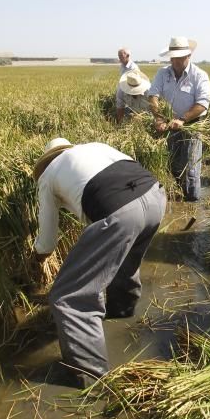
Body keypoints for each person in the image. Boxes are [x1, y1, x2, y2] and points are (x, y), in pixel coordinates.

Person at [33, 138, 166, 388]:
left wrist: (38, 258)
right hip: (156, 196)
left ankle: (91, 376)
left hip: (122, 211)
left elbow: (47, 240)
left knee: (68, 296)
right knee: (123, 260)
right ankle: (122, 311)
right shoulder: (95, 148)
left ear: (47, 160)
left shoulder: (48, 175)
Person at [148, 36, 210, 202]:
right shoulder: (163, 73)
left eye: (180, 57)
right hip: (169, 125)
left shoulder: (199, 75)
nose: (175, 61)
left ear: (189, 56)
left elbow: (202, 104)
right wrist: (159, 118)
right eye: (173, 57)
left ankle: (192, 204)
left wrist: (183, 119)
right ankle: (177, 201)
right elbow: (153, 96)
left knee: (190, 170)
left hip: (191, 126)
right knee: (173, 164)